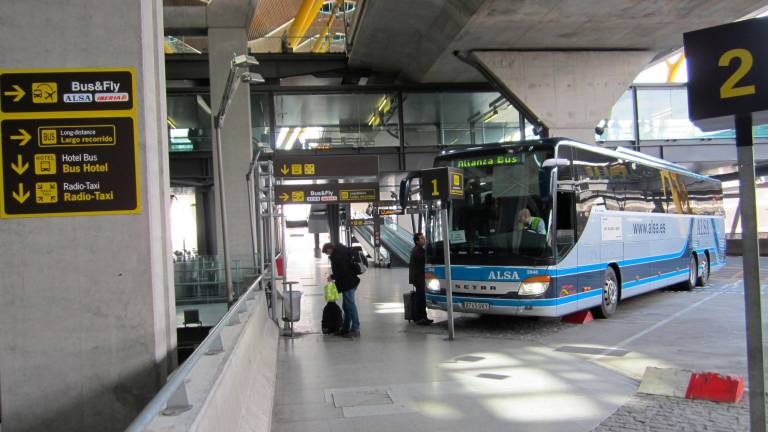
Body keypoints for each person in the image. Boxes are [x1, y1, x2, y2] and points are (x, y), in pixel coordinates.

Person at [322, 242, 361, 337]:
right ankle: (345, 328)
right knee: (346, 306)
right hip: (350, 282)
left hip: (348, 283)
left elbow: (343, 271)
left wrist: (333, 276)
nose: (327, 254)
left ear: (329, 249)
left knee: (350, 305)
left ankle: (355, 329)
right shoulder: (341, 251)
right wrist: (333, 276)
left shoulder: (337, 256)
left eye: (327, 252)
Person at [409, 232, 432, 325]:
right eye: (422, 238)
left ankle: (423, 317)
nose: (424, 239)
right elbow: (423, 259)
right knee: (420, 298)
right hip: (418, 278)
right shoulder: (417, 250)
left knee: (422, 298)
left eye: (424, 238)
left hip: (420, 277)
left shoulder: (419, 249)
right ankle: (419, 318)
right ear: (417, 241)